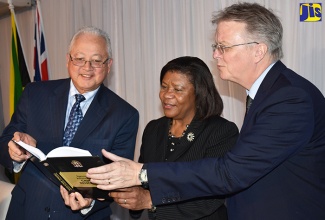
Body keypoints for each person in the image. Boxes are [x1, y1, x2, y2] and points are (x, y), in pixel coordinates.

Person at [87, 3, 325, 220]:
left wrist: (143, 172)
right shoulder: (270, 92)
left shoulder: (289, 98)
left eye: (224, 47)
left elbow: (230, 173)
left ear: (258, 50)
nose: (215, 55)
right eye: (216, 47)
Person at [0, 26, 139, 219]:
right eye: (80, 58)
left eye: (96, 61)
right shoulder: (35, 93)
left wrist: (89, 203)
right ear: (68, 60)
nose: (87, 67)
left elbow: (120, 179)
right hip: (26, 210)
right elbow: (5, 140)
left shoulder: (125, 115)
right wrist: (15, 150)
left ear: (109, 65)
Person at [109, 56, 238, 220]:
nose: (166, 95)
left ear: (199, 93)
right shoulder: (153, 129)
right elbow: (143, 181)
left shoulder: (221, 131)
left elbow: (211, 196)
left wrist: (150, 201)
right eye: (164, 87)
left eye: (177, 89)